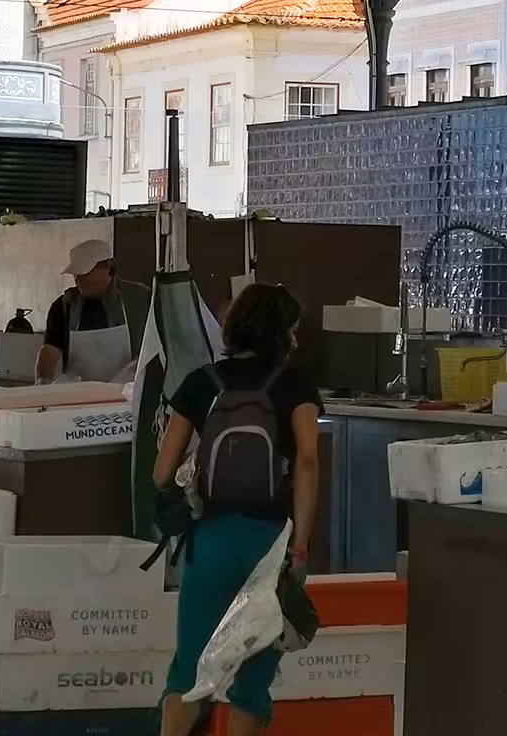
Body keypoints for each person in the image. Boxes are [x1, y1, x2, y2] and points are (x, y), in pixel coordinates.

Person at [152, 283, 323, 736]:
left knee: (189, 675)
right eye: (293, 330)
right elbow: (307, 458)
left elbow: (161, 472)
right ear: (279, 334)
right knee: (251, 683)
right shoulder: (294, 385)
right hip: (269, 547)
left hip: (208, 541)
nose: (296, 340)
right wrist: (300, 546)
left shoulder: (202, 381)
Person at [37, 238, 151, 383]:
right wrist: (43, 384)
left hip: (126, 395)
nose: (78, 278)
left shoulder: (140, 299)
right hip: (79, 397)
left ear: (109, 267)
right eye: (76, 274)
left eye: (85, 272)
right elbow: (49, 351)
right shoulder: (64, 306)